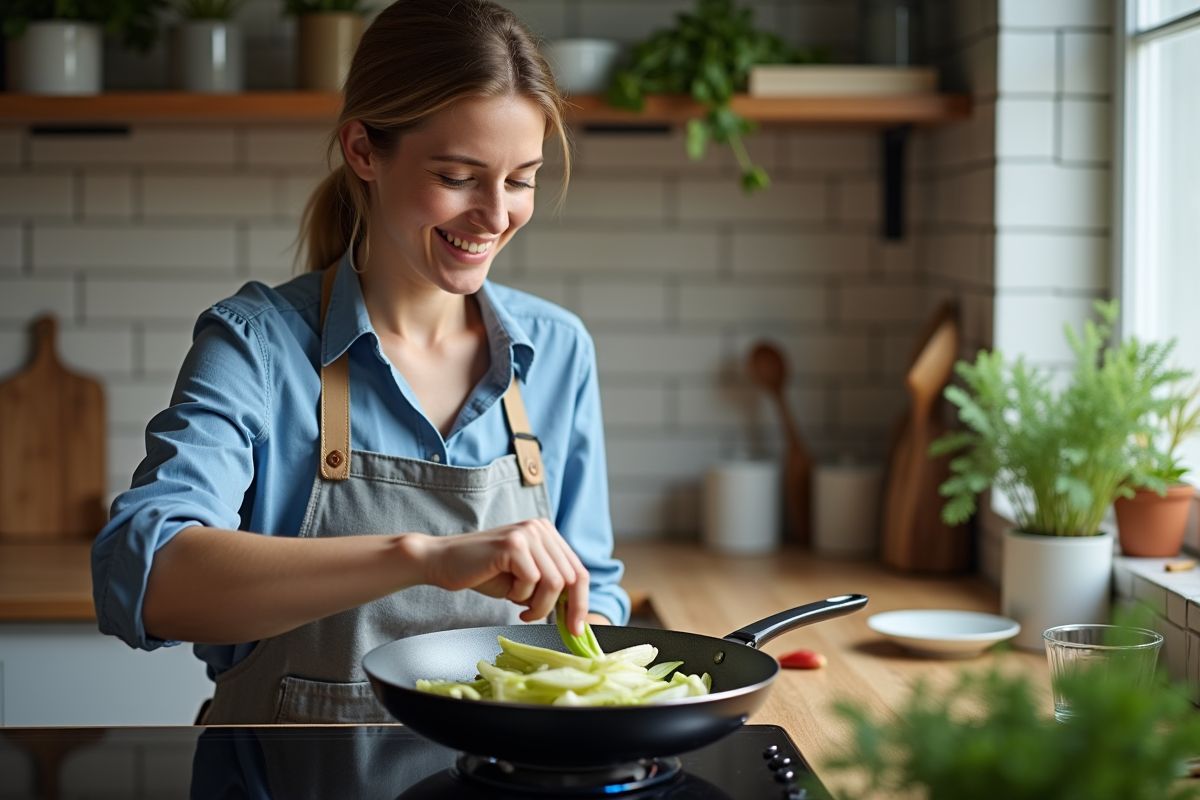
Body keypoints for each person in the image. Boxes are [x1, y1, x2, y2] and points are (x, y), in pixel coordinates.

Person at [90, 0, 629, 725]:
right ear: (364, 151)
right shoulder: (258, 345)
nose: (496, 215)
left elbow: (589, 591)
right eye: (459, 175)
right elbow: (145, 575)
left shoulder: (556, 351)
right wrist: (422, 555)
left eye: (521, 178)